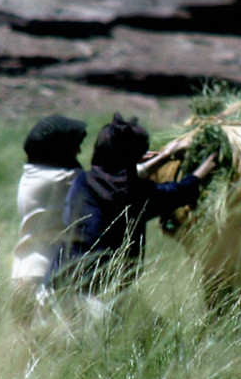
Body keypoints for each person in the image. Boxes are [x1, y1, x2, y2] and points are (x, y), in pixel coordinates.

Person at [47, 113, 217, 296]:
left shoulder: (82, 182)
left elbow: (120, 180)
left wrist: (165, 156)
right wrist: (203, 170)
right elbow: (180, 192)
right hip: (98, 296)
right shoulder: (135, 195)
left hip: (58, 285)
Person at [11, 114, 88, 320]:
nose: (79, 151)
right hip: (44, 276)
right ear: (59, 150)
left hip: (22, 271)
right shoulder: (62, 179)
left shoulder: (32, 174)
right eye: (74, 146)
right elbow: (107, 184)